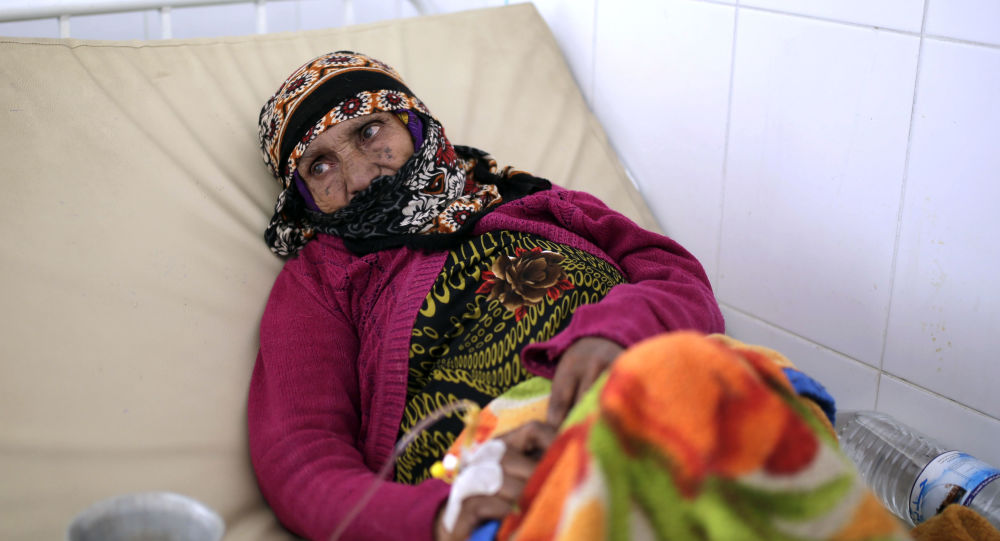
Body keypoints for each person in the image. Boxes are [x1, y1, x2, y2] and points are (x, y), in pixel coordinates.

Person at [247, 51, 724, 541]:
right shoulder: (322, 278)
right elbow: (299, 457)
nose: (360, 177)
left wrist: (615, 334)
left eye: (369, 131)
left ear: (411, 121)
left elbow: (678, 277)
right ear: (301, 195)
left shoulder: (528, 197)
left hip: (645, 397)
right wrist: (442, 513)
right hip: (497, 483)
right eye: (320, 166)